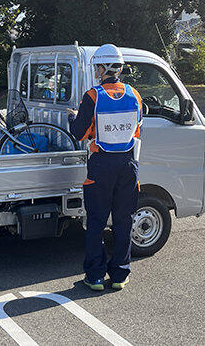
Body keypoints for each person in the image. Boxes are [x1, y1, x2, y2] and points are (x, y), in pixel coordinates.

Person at [66, 44, 142, 291]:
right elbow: (137, 127)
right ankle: (120, 275)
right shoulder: (134, 94)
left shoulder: (93, 96)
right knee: (124, 220)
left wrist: (72, 117)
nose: (96, 70)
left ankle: (96, 276)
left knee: (97, 221)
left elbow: (79, 133)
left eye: (97, 66)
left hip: (101, 166)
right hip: (128, 164)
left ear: (104, 67)